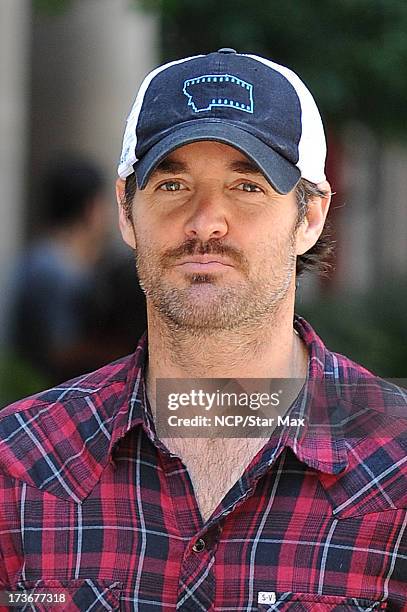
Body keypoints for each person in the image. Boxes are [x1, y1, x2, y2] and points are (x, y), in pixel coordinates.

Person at [0, 50, 406, 610]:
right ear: (125, 211)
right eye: (172, 185)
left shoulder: (397, 471)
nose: (205, 221)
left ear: (309, 217)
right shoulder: (18, 466)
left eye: (248, 186)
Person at [7, 154, 111, 385]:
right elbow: (60, 351)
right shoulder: (51, 268)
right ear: (90, 208)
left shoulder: (53, 260)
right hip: (39, 391)